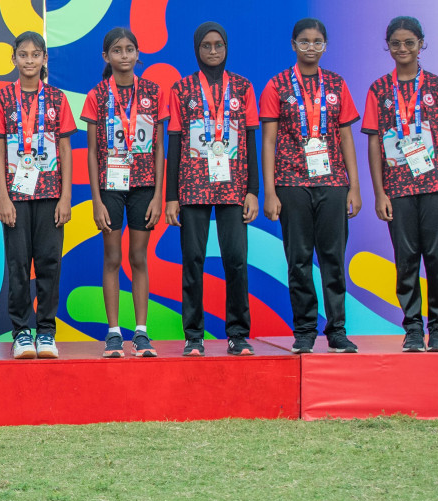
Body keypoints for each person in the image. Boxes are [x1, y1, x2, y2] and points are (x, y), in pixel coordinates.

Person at [260, 18, 362, 354]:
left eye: (318, 42)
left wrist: (354, 187)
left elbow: (346, 136)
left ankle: (337, 330)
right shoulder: (277, 86)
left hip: (332, 181)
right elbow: (269, 140)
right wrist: (271, 191)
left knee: (332, 257)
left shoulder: (336, 84)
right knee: (299, 258)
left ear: (325, 46)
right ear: (293, 45)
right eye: (304, 42)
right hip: (291, 182)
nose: (311, 48)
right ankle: (304, 330)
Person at [362, 15, 438, 352]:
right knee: (406, 260)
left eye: (409, 42)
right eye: (396, 43)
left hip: (435, 185)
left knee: (437, 259)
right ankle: (413, 330)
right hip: (398, 189)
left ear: (421, 45)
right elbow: (374, 142)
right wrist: (380, 193)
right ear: (388, 46)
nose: (402, 48)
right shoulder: (378, 90)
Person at [162, 22, 260, 357]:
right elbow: (173, 144)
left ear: (227, 47)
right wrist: (171, 197)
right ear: (197, 49)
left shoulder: (244, 88)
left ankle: (237, 334)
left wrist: (253, 191)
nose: (213, 51)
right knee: (193, 259)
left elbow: (250, 141)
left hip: (234, 186)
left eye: (219, 45)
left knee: (236, 259)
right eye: (207, 45)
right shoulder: (181, 89)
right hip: (192, 186)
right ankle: (193, 336)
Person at [0, 31, 75, 360]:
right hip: (16, 198)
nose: (29, 60)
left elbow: (65, 150)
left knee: (50, 263)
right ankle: (22, 332)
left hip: (51, 195)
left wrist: (65, 197)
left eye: (35, 54)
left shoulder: (57, 99)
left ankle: (47, 331)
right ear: (13, 59)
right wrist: (4, 199)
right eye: (22, 55)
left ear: (44, 60)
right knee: (18, 264)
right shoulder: (2, 100)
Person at [81, 28, 163, 358]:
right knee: (113, 257)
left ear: (138, 54)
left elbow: (158, 147)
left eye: (130, 49)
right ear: (107, 57)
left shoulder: (153, 93)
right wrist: (97, 199)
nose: (124, 55)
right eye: (117, 50)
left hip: (143, 186)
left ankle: (141, 333)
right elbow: (90, 151)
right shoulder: (97, 95)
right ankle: (114, 333)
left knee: (138, 257)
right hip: (110, 187)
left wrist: (158, 195)